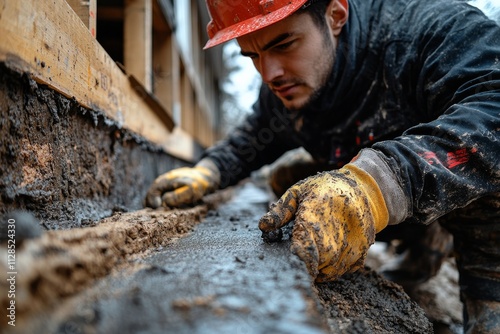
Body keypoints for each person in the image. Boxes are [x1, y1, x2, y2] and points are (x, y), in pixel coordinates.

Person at [145, 0, 500, 331]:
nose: (269, 73)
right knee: (289, 178)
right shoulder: (287, 85)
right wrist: (208, 171)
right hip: (395, 187)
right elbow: (253, 138)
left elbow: (493, 109)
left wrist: (376, 184)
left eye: (284, 44)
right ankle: (420, 235)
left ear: (335, 15)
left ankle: (437, 234)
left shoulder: (430, 31)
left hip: (477, 203)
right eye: (252, 55)